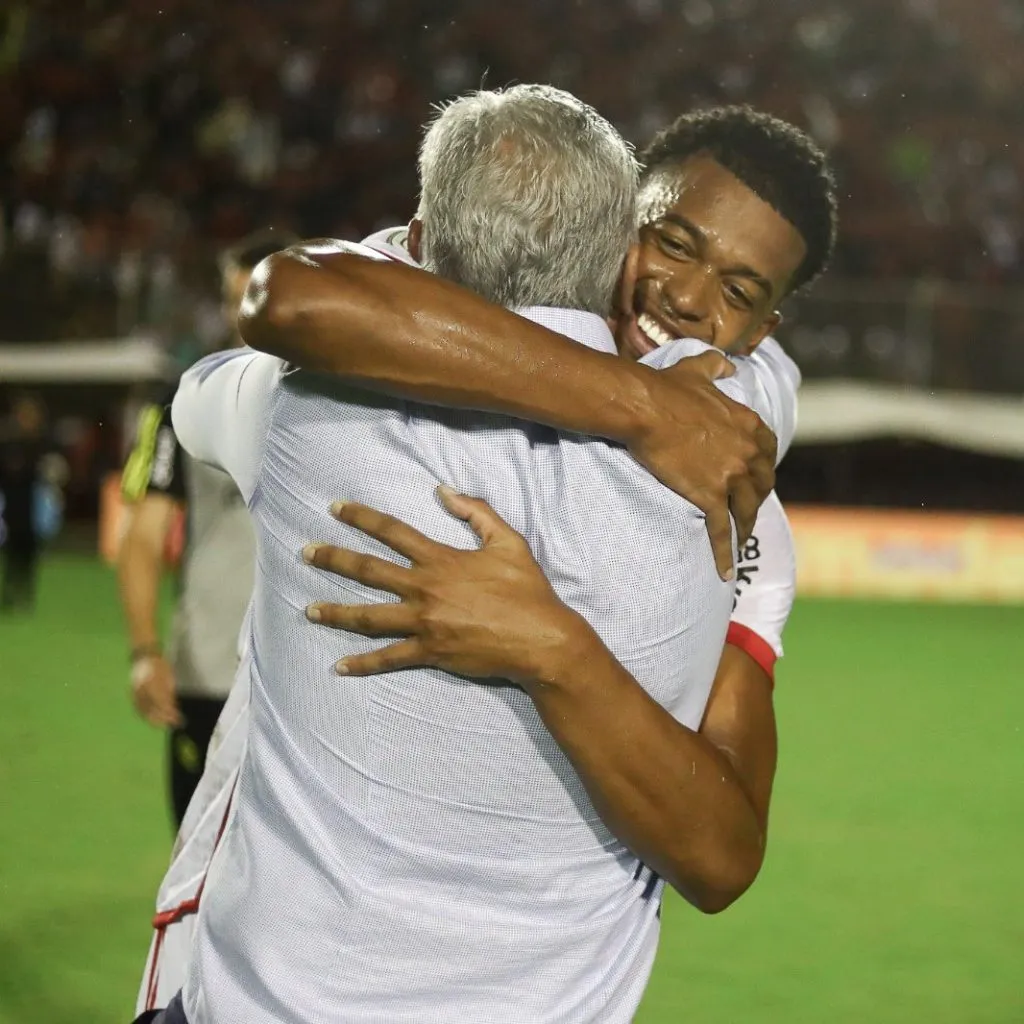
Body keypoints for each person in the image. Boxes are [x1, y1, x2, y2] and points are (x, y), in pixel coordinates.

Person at [131, 105, 837, 1015]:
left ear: (765, 328)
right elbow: (297, 303)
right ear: (614, 217)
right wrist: (645, 407)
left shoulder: (742, 481)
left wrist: (554, 648)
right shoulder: (697, 439)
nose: (689, 299)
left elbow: (722, 855)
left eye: (738, 293)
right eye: (670, 242)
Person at [117, 228, 296, 828]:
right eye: (232, 299)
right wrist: (145, 652)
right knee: (198, 875)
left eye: (257, 297)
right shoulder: (179, 408)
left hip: (306, 686)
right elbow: (142, 540)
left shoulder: (346, 402)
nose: (242, 316)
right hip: (210, 674)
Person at [0, 394, 51, 611]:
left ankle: (24, 594)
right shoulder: (9, 443)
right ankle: (10, 592)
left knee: (27, 553)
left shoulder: (36, 444)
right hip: (12, 510)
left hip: (30, 510)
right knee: (12, 553)